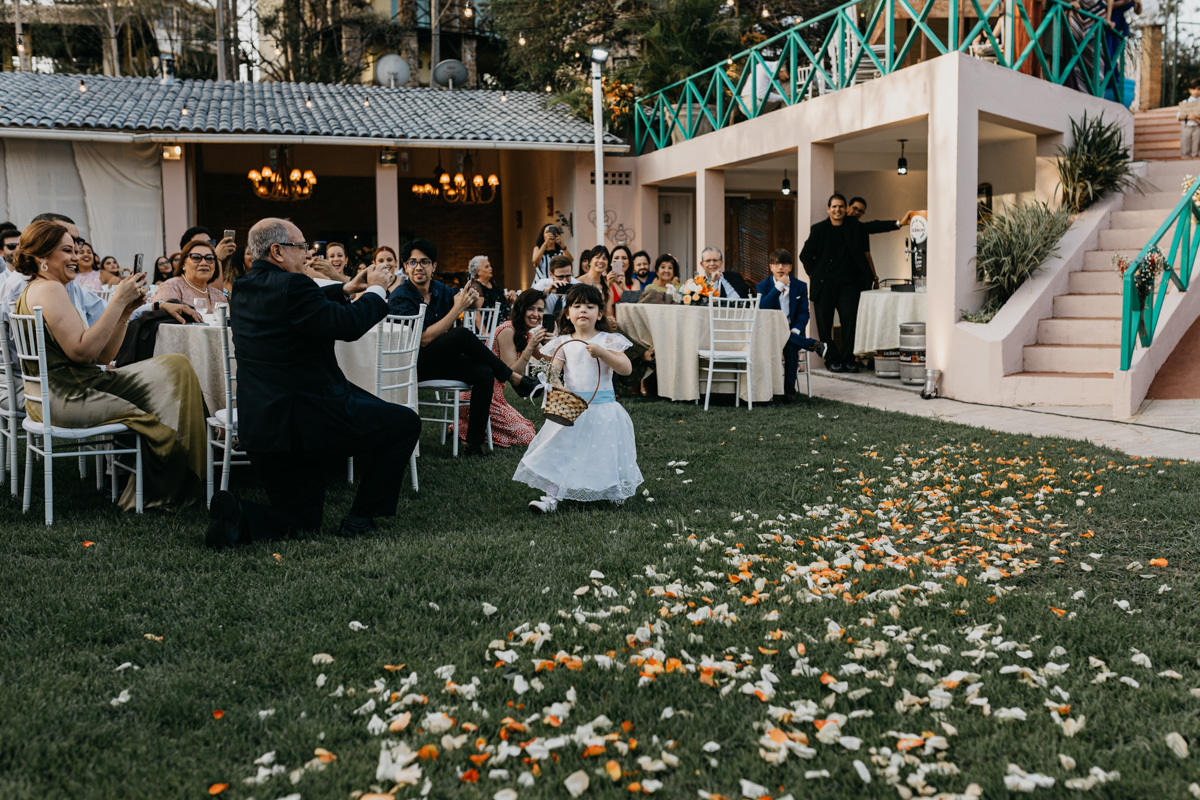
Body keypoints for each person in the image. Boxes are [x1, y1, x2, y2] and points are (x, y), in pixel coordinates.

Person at [206, 217, 421, 547]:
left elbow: (306, 306)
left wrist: (347, 287)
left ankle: (238, 513)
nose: (307, 253)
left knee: (302, 523)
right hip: (309, 422)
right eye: (301, 246)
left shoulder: (244, 287)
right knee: (404, 423)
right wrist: (378, 288)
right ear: (278, 251)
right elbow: (347, 326)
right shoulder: (295, 287)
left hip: (263, 431)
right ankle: (360, 519)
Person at [14, 219, 206, 510]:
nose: (76, 257)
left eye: (76, 250)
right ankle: (167, 483)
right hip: (70, 395)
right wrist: (116, 300)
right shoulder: (50, 290)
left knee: (175, 367)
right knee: (176, 369)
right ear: (42, 257)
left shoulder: (42, 288)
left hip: (63, 390)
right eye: (67, 250)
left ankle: (170, 472)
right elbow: (82, 353)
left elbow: (103, 357)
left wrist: (126, 311)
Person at [387, 237, 540, 457]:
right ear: (405, 266)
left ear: (434, 266)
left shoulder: (441, 290)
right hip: (413, 365)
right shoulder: (401, 297)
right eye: (412, 262)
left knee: (484, 372)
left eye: (424, 262)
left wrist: (470, 294)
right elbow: (422, 340)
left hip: (442, 361)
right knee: (460, 335)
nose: (418, 267)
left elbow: (474, 303)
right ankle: (512, 377)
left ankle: (474, 444)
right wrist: (456, 307)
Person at [514, 283, 643, 514]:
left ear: (600, 313)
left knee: (604, 450)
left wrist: (603, 353)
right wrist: (559, 388)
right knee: (561, 450)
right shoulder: (564, 342)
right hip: (571, 408)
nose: (583, 310)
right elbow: (553, 371)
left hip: (603, 407)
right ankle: (551, 497)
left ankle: (611, 490)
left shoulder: (608, 340)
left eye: (590, 306)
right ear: (568, 314)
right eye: (577, 306)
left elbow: (626, 369)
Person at [800, 194, 914, 373]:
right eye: (834, 207)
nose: (838, 210)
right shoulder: (819, 229)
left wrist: (899, 222)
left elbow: (873, 226)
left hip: (849, 286)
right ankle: (831, 360)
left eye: (841, 207)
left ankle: (848, 360)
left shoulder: (853, 226)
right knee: (824, 325)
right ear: (828, 209)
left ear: (845, 209)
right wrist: (816, 275)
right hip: (825, 286)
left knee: (851, 323)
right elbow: (804, 255)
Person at [456, 289, 548, 448]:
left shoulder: (527, 335)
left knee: (528, 427)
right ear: (521, 308)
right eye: (531, 308)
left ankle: (461, 427)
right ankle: (462, 428)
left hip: (496, 397)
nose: (536, 314)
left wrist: (557, 341)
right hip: (479, 394)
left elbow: (549, 359)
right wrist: (529, 349)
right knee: (527, 437)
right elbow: (510, 373)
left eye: (540, 310)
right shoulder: (508, 331)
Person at [757, 249, 828, 402]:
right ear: (771, 267)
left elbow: (804, 312)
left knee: (790, 346)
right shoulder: (762, 286)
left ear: (790, 267)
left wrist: (796, 330)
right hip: (770, 332)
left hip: (792, 330)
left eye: (784, 264)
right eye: (776, 264)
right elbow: (763, 307)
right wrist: (778, 287)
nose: (780, 267)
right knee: (788, 340)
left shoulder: (800, 286)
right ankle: (813, 344)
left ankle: (789, 392)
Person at [151, 239, 228, 314]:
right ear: (183, 264)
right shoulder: (172, 287)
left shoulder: (219, 295)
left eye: (209, 258)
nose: (204, 263)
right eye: (196, 257)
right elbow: (161, 323)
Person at [466, 255, 515, 322]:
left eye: (490, 266)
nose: (490, 268)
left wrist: (510, 296)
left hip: (504, 322)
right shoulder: (476, 286)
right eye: (487, 267)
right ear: (478, 271)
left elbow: (503, 302)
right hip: (490, 326)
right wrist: (483, 332)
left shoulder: (494, 283)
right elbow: (476, 312)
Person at [532, 254, 578, 322]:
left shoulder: (577, 285)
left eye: (568, 276)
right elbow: (531, 305)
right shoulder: (542, 285)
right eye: (560, 277)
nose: (565, 281)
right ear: (551, 274)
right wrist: (546, 292)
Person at [847, 196, 881, 287]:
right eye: (855, 208)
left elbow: (867, 255)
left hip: (860, 275)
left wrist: (875, 277)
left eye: (861, 211)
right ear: (848, 207)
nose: (857, 212)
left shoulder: (862, 229)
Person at [1180, 79, 1200, 159]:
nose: (1196, 91)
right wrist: (1189, 117)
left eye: (1199, 89)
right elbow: (1179, 116)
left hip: (1198, 127)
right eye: (1194, 89)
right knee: (1185, 149)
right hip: (1186, 127)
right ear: (1190, 90)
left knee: (1195, 150)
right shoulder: (1185, 102)